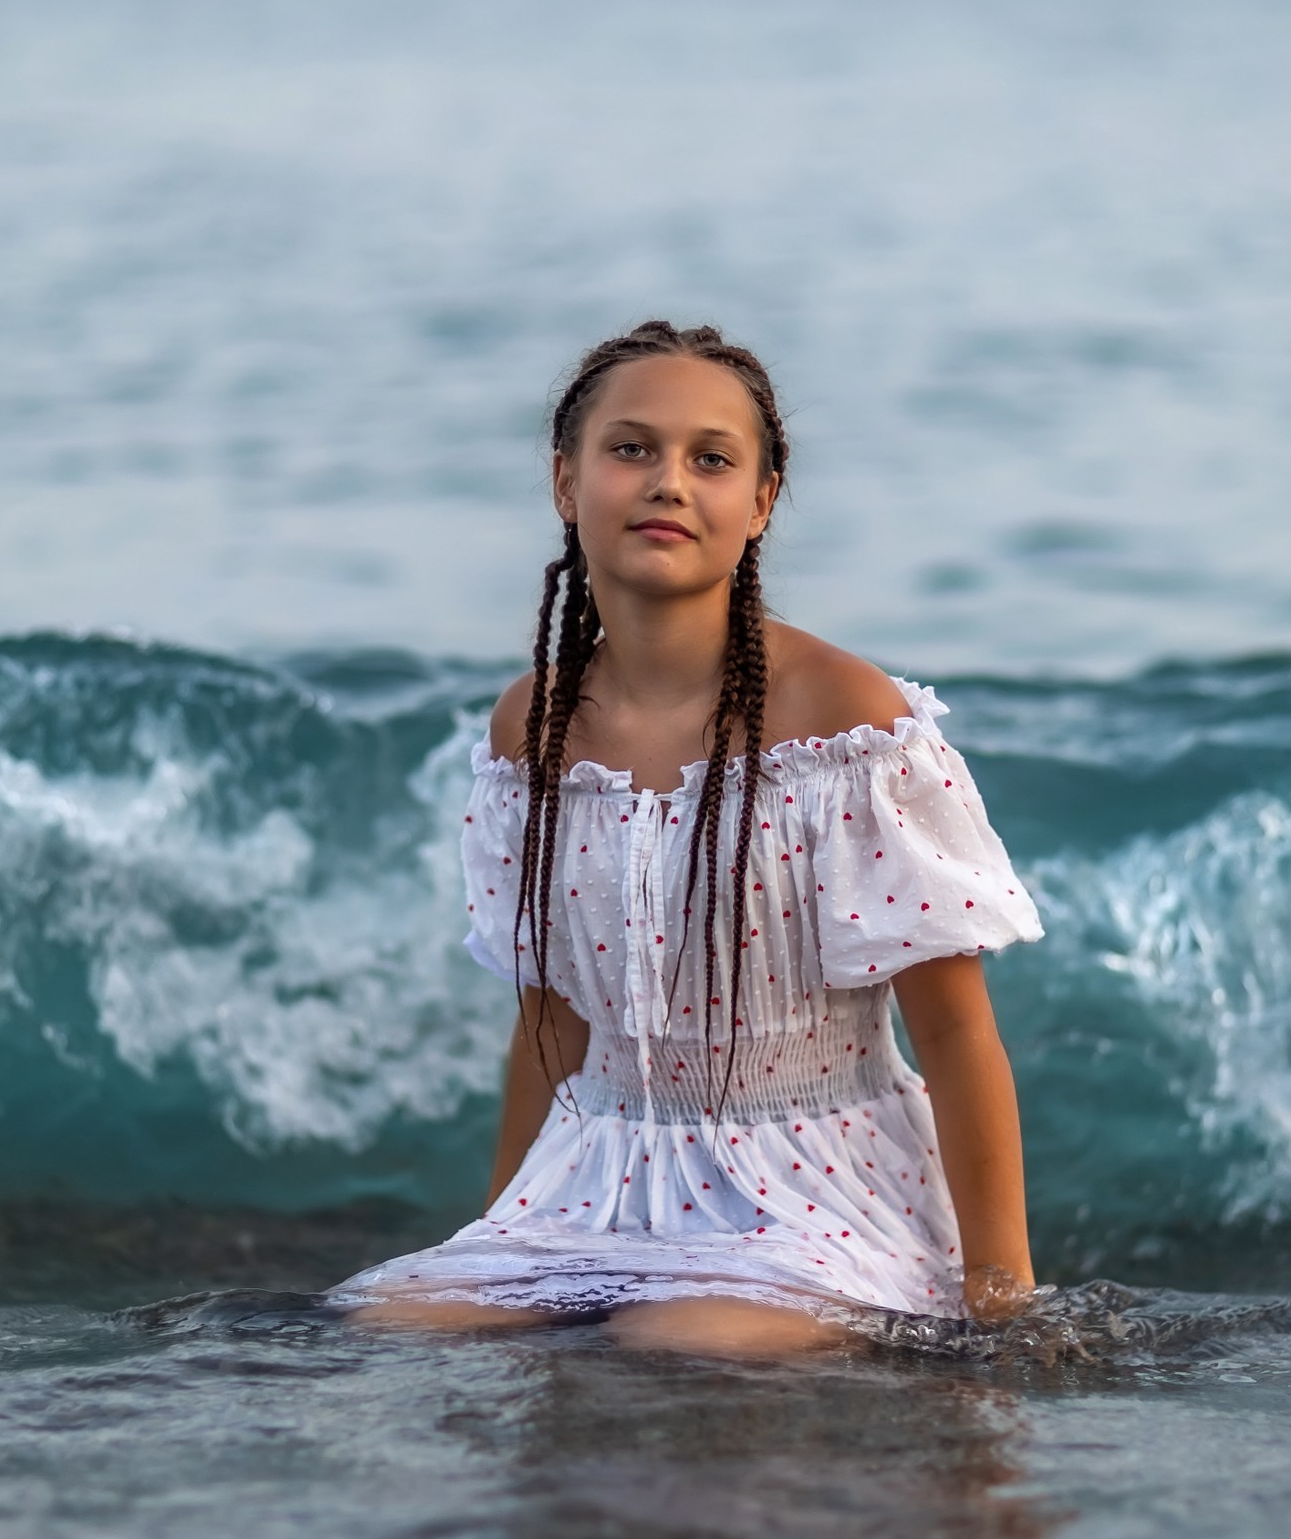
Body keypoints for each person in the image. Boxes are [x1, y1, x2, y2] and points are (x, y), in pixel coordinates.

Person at [328, 321, 1046, 1358]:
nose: (668, 481)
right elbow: (552, 1024)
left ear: (759, 503)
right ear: (566, 482)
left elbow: (956, 1036)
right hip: (597, 1175)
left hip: (814, 1184)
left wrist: (1001, 1301)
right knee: (383, 1327)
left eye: (710, 459)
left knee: (680, 1347)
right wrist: (497, 1234)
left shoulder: (844, 719)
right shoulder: (529, 726)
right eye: (631, 449)